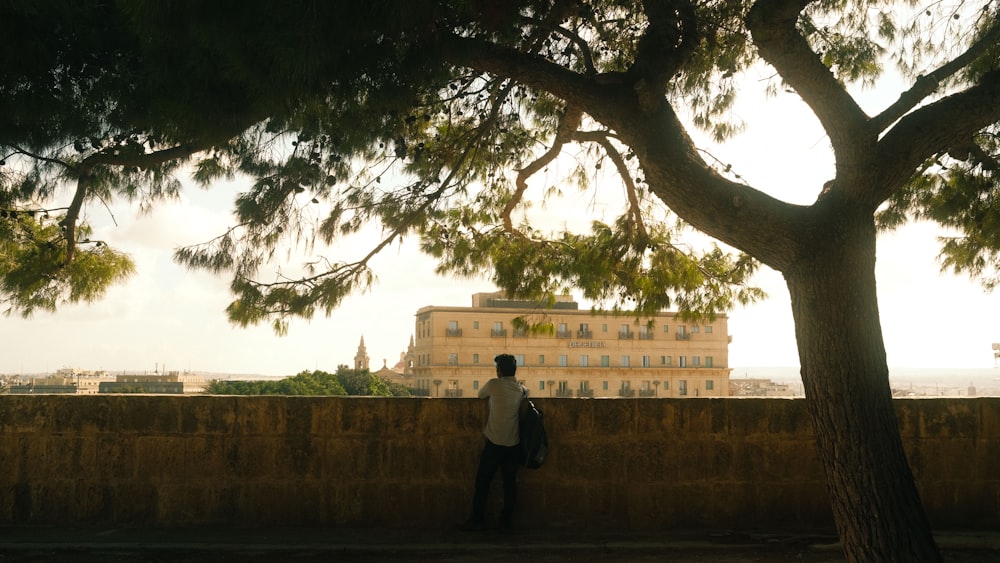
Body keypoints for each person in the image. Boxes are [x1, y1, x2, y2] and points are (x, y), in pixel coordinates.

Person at [460, 353, 524, 531]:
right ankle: (505, 523)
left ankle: (477, 519)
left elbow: (481, 395)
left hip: (494, 443)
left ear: (499, 370)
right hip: (513, 443)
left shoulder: (494, 385)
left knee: (482, 482)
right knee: (509, 485)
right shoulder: (520, 390)